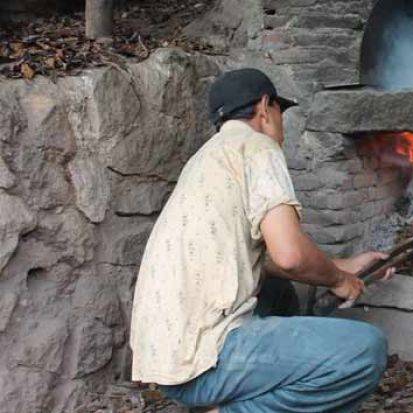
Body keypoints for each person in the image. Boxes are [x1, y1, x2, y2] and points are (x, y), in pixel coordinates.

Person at [129, 68, 394, 413]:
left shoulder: (206, 158)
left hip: (165, 361)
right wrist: (341, 280)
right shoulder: (257, 147)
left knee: (276, 292)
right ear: (265, 108)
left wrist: (344, 265)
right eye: (281, 111)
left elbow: (252, 255)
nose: (282, 124)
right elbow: (289, 255)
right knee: (365, 351)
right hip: (205, 361)